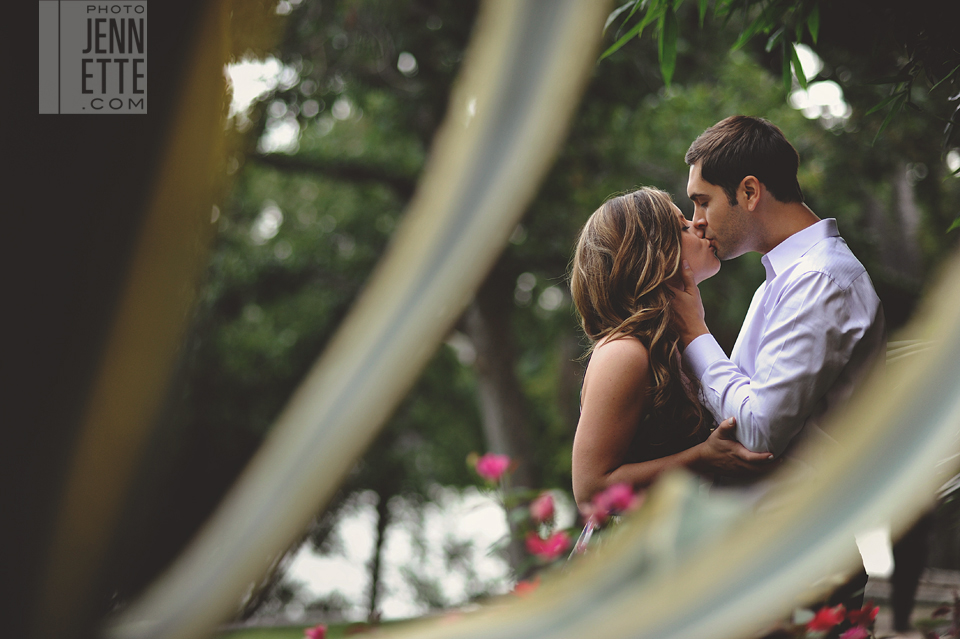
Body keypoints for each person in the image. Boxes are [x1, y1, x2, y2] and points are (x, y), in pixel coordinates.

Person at [670, 115, 886, 610]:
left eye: (702, 201)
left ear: (749, 191)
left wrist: (694, 333)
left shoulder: (820, 281)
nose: (696, 220)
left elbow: (758, 430)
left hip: (803, 562)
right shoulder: (783, 281)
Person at [569, 187, 774, 510]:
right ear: (652, 254)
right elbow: (589, 488)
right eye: (682, 226)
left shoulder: (672, 344)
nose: (699, 225)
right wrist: (702, 458)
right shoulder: (624, 353)